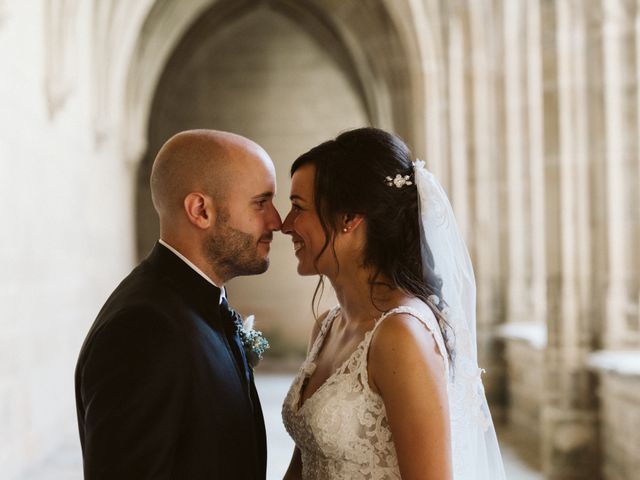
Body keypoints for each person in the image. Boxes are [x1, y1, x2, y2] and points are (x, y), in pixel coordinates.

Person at [281, 127, 506, 479]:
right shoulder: (326, 327)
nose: (285, 225)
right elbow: (304, 462)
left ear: (349, 218)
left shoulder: (401, 336)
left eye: (298, 208)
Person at [75, 129, 282, 479]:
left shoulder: (201, 300)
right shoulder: (142, 331)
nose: (276, 220)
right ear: (201, 210)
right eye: (260, 203)